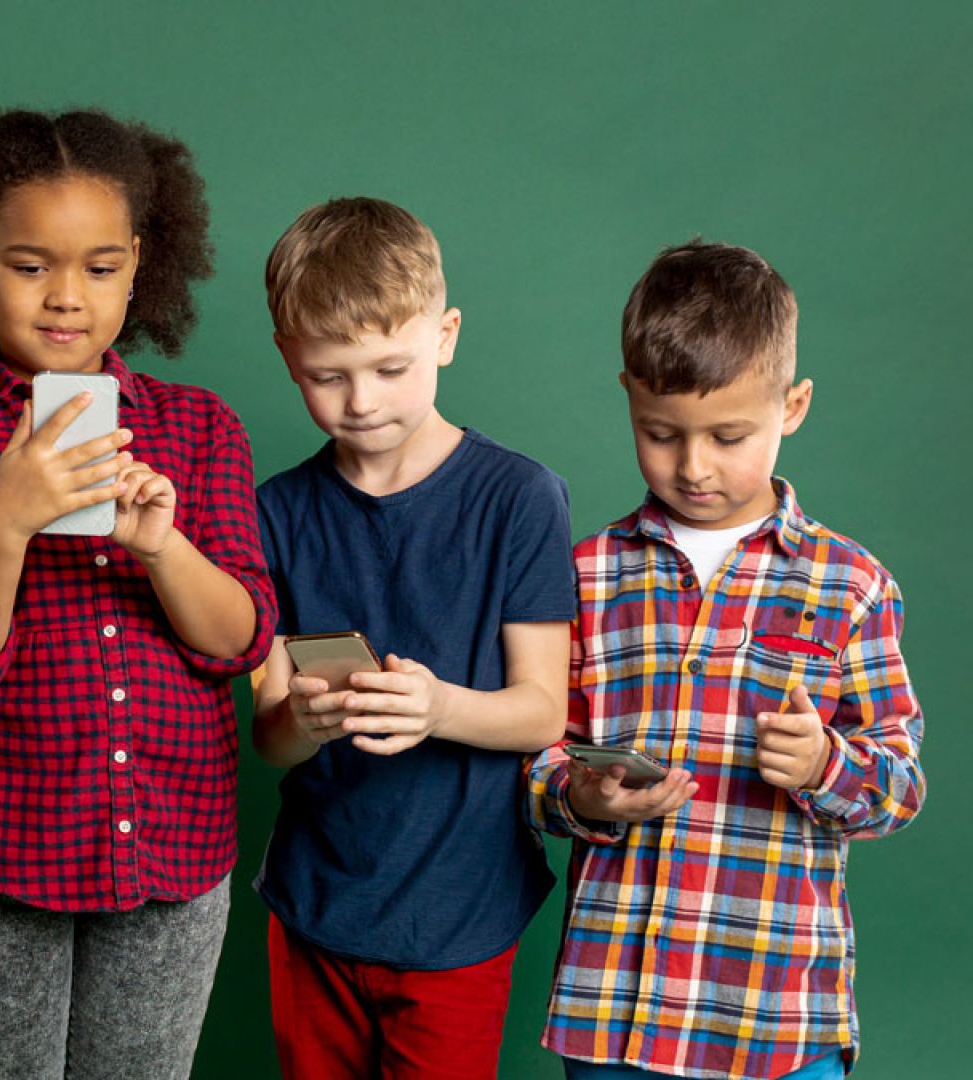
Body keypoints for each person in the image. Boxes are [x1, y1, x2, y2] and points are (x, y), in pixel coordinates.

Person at [0, 97, 277, 1079]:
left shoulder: (201, 426)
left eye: (100, 267)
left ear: (140, 261)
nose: (66, 296)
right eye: (28, 264)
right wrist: (5, 517)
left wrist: (163, 548)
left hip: (171, 851)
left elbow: (241, 641)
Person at [527, 240, 925, 1079]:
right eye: (661, 434)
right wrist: (579, 796)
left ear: (795, 405)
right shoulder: (586, 574)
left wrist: (824, 763)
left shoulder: (851, 586)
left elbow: (898, 788)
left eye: (729, 435)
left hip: (778, 1016)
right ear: (629, 400)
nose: (694, 465)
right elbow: (537, 752)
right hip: (616, 1012)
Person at [251, 196, 575, 1079]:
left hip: (460, 904)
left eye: (390, 367)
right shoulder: (273, 513)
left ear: (447, 334)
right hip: (316, 896)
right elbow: (269, 735)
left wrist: (437, 706)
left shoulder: (519, 498)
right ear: (288, 358)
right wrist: (306, 722)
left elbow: (543, 711)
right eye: (329, 375)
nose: (361, 401)